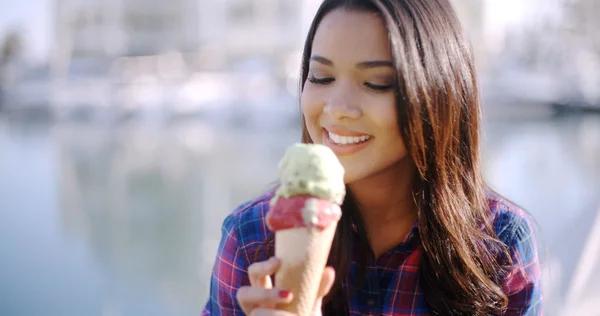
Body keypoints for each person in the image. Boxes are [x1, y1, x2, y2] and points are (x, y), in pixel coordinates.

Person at [202, 0, 542, 315]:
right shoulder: (252, 240)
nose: (336, 107)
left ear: (438, 94)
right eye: (321, 77)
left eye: (376, 83)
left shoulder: (501, 244)